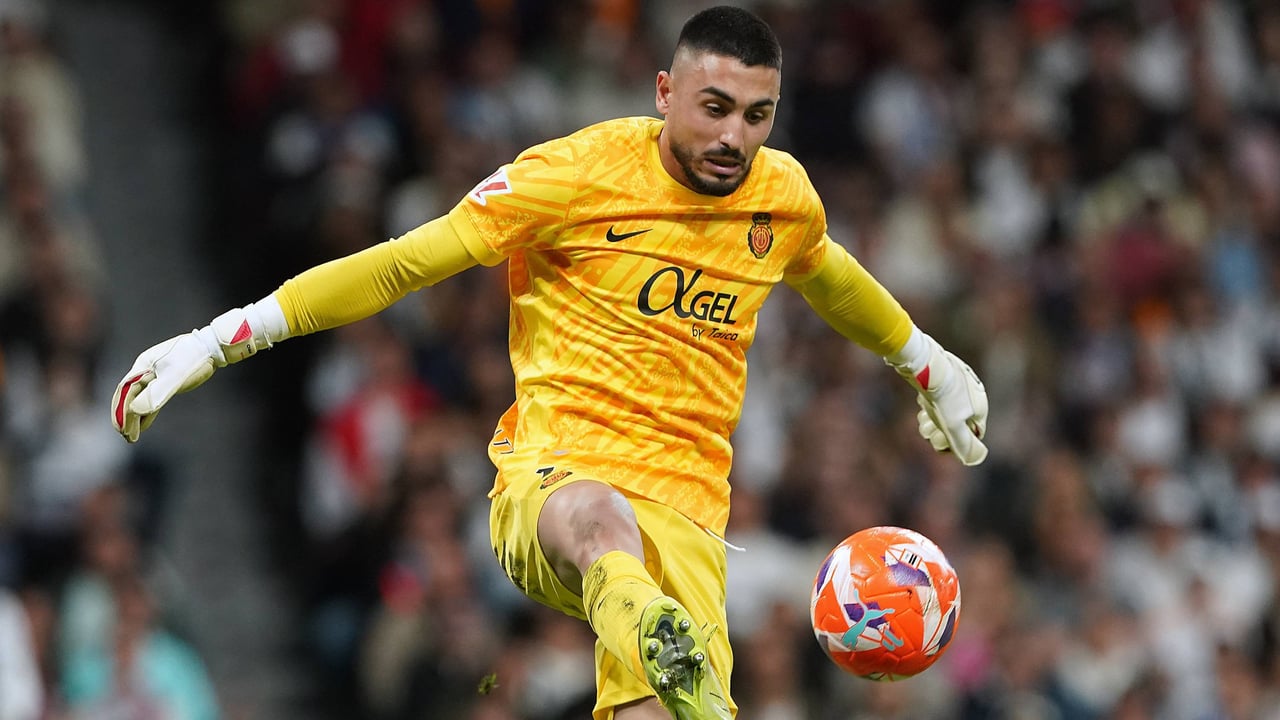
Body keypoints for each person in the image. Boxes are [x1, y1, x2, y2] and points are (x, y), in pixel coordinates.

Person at [109, 7, 988, 720]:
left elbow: (828, 273)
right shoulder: (571, 176)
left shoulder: (781, 197)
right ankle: (647, 624)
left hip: (690, 517)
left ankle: (655, 638)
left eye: (756, 116)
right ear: (664, 92)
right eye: (714, 107)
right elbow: (401, 264)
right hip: (555, 479)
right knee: (603, 520)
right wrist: (224, 336)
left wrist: (927, 362)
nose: (734, 136)